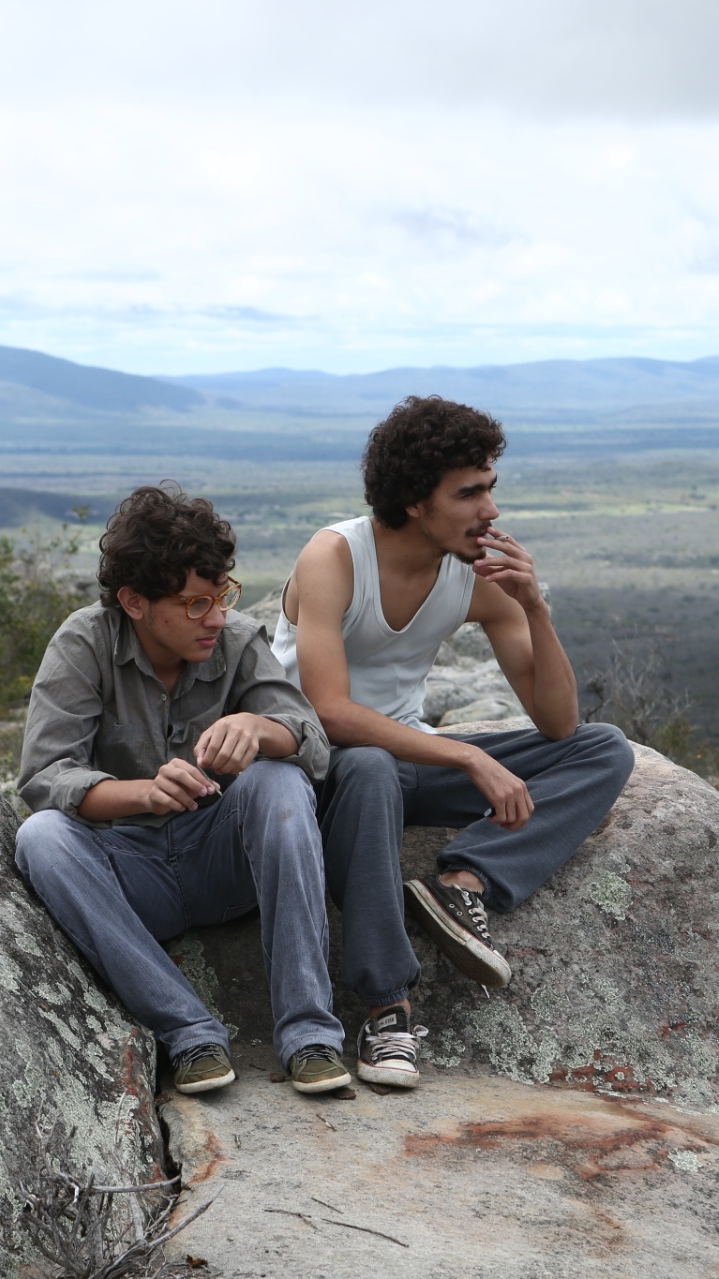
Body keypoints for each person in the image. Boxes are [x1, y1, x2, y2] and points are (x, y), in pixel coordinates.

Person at [272, 395, 636, 1089]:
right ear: (414, 500)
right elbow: (328, 712)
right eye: (469, 492)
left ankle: (465, 880)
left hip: (406, 763)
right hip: (320, 772)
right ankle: (387, 1009)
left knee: (605, 750)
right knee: (374, 762)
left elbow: (560, 723)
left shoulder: (474, 575)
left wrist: (534, 605)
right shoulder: (334, 555)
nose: (490, 510)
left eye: (491, 487)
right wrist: (469, 754)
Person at [14, 483, 351, 1097]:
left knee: (279, 779)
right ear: (134, 602)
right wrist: (141, 792)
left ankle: (310, 1035)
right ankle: (189, 1033)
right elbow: (45, 777)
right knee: (42, 838)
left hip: (226, 862)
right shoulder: (85, 641)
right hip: (131, 868)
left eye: (222, 595)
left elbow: (312, 740)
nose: (216, 616)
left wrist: (258, 727)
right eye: (195, 604)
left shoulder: (238, 641)